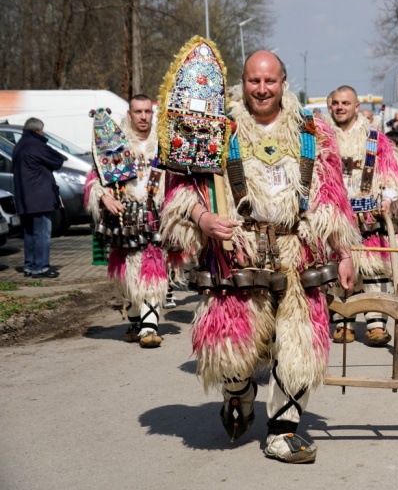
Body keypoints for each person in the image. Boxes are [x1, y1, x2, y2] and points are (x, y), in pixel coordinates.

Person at [160, 50, 359, 463]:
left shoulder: (314, 131)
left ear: (284, 82)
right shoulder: (218, 127)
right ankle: (239, 394)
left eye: (270, 81)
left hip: (298, 253)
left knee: (301, 347)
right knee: (229, 351)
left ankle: (283, 432)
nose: (262, 89)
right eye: (254, 81)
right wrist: (204, 218)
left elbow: (332, 196)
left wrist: (343, 252)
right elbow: (180, 188)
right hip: (237, 252)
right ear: (243, 83)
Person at [85, 95, 168, 348]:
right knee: (128, 274)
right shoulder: (113, 144)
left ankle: (149, 328)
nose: (143, 116)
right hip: (123, 214)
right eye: (138, 112)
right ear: (130, 114)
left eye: (147, 112)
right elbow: (94, 179)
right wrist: (104, 198)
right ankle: (134, 319)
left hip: (153, 212)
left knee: (153, 269)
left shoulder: (161, 145)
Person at [329, 85, 398, 345]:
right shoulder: (322, 139)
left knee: (374, 272)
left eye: (345, 103)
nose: (340, 107)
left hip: (369, 219)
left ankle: (376, 323)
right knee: (338, 273)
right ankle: (343, 321)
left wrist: (388, 198)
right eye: (336, 103)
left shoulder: (376, 139)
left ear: (356, 107)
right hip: (336, 220)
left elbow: (393, 176)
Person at [12, 117, 64, 279]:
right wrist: (44, 142)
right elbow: (58, 160)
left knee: (29, 233)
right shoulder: (36, 145)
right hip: (39, 198)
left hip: (24, 197)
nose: (43, 133)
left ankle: (30, 265)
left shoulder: (19, 146)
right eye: (42, 131)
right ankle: (40, 267)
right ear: (37, 131)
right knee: (42, 234)